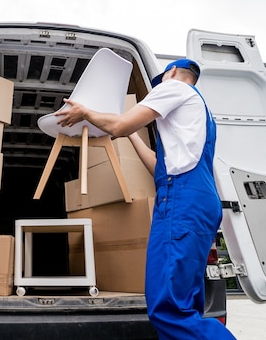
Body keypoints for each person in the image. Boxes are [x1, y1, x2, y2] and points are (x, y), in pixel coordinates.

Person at [56, 58, 236, 340]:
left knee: (168, 308)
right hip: (198, 198)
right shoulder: (200, 109)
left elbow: (119, 126)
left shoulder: (174, 87)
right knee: (186, 303)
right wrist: (131, 137)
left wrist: (86, 113)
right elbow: (158, 166)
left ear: (173, 72)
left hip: (182, 201)